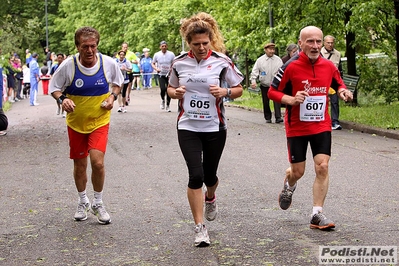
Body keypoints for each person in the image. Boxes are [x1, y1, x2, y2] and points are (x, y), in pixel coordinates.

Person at [167, 12, 244, 247]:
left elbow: (238, 88)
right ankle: (200, 228)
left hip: (214, 127)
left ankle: (210, 196)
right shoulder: (179, 62)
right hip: (187, 125)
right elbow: (170, 89)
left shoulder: (221, 61)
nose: (201, 48)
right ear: (188, 43)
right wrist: (175, 93)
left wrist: (226, 92)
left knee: (210, 176)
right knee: (196, 175)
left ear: (211, 40)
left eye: (205, 43)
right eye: (196, 44)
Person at [268, 26, 353, 230]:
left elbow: (338, 83)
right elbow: (272, 92)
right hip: (296, 126)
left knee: (322, 166)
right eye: (310, 42)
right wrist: (291, 99)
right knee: (298, 172)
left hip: (321, 124)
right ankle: (289, 183)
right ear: (300, 43)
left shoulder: (328, 66)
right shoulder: (289, 66)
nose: (315, 46)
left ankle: (317, 214)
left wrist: (343, 92)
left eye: (318, 42)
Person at [49, 26, 124, 225]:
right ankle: (83, 201)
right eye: (85, 47)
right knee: (80, 165)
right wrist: (63, 99)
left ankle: (98, 203)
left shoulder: (108, 63)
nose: (89, 51)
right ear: (77, 46)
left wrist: (112, 97)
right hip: (76, 123)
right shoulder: (68, 66)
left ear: (97, 45)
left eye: (93, 46)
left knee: (97, 162)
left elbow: (118, 83)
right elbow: (54, 88)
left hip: (100, 121)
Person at [250, 43, 284, 123]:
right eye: (270, 49)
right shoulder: (260, 60)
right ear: (265, 50)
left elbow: (283, 71)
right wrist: (253, 81)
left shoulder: (278, 60)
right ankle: (267, 117)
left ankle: (278, 117)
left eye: (273, 49)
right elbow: (254, 71)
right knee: (266, 101)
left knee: (277, 101)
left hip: (275, 85)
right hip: (264, 84)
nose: (272, 51)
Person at [321, 35, 343, 130]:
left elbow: (340, 69)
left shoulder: (338, 54)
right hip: (322, 81)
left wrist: (340, 84)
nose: (330, 44)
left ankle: (335, 121)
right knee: (322, 101)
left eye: (332, 43)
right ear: (324, 43)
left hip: (333, 82)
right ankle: (322, 120)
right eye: (328, 43)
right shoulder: (319, 53)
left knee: (334, 102)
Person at [152, 41, 175, 112]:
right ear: (160, 47)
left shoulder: (171, 54)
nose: (164, 47)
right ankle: (162, 100)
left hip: (169, 75)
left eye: (165, 46)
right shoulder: (157, 54)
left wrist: (172, 69)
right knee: (163, 88)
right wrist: (156, 69)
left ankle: (168, 105)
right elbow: (153, 63)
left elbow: (174, 62)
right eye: (162, 46)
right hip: (161, 74)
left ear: (167, 46)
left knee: (169, 90)